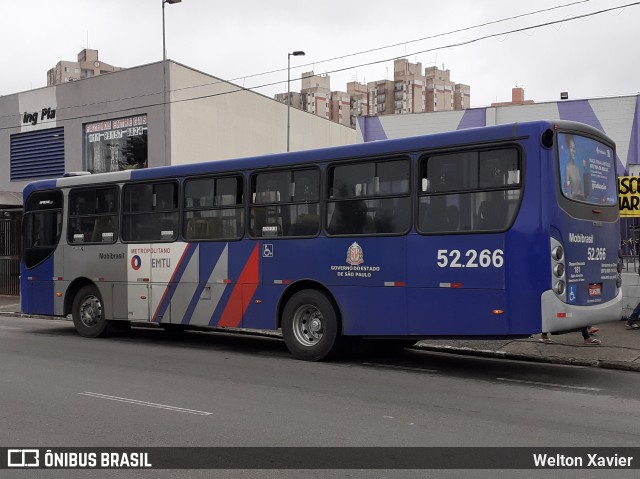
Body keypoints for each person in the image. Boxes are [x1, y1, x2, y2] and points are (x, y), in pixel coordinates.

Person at [563, 135, 584, 199]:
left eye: (574, 148)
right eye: (571, 148)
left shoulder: (577, 169)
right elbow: (567, 191)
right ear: (567, 150)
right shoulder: (567, 168)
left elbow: (580, 190)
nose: (573, 151)